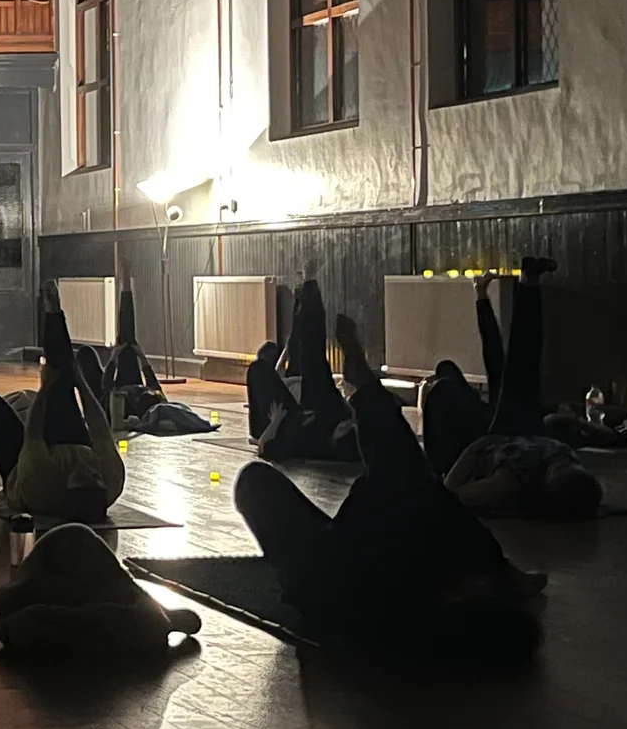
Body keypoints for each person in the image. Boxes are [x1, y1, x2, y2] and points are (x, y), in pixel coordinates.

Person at [234, 310, 544, 658]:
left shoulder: (395, 604)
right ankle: (365, 390)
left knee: (255, 480)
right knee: (404, 478)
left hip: (336, 585)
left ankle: (365, 390)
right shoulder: (424, 594)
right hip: (354, 577)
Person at [432, 260, 603, 518]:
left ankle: (496, 291)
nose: (566, 464)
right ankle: (525, 283)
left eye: (562, 470)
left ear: (549, 483)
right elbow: (608, 435)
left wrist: (482, 443)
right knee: (519, 367)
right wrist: (566, 419)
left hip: (488, 438)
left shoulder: (509, 483)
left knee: (451, 379)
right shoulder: (564, 461)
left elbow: (449, 495)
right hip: (521, 426)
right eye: (572, 467)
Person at [0, 291, 126, 524]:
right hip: (71, 448)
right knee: (65, 381)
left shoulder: (39, 486)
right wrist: (80, 383)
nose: (87, 470)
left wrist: (46, 385)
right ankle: (54, 313)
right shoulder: (112, 481)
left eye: (81, 476)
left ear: (66, 485)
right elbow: (99, 428)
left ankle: (53, 316)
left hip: (24, 473)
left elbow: (33, 432)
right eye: (94, 475)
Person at [0, 523, 201, 662]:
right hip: (41, 605)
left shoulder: (148, 620)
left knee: (77, 540)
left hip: (34, 605)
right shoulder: (149, 621)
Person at [249, 278, 357, 461]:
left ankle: (306, 292)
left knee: (259, 367)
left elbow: (264, 448)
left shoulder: (306, 443)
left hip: (285, 417)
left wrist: (274, 423)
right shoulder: (339, 419)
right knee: (311, 358)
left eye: (346, 430)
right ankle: (307, 292)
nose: (347, 426)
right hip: (319, 408)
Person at [103, 283, 168, 423]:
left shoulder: (124, 402)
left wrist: (114, 357)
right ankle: (126, 285)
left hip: (121, 389)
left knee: (124, 341)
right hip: (132, 384)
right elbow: (152, 381)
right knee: (129, 340)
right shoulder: (154, 399)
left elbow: (106, 386)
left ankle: (126, 285)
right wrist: (141, 355)